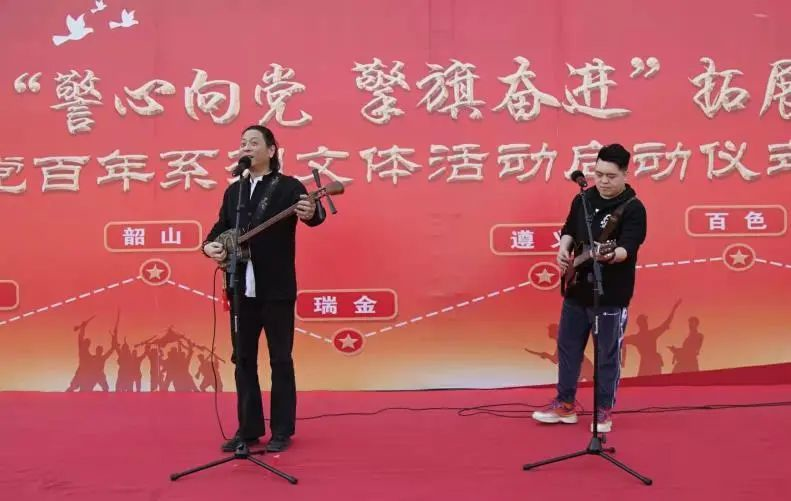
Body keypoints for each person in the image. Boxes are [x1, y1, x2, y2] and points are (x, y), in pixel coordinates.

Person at [202, 125, 325, 452]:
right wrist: (209, 246)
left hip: (277, 288)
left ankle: (282, 430)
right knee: (243, 359)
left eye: (254, 143)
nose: (247, 147)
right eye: (243, 143)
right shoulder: (235, 191)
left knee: (280, 359)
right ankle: (248, 428)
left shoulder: (288, 186)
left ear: (271, 151)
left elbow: (314, 214)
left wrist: (312, 211)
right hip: (240, 288)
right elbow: (219, 229)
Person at [531, 144, 647, 433]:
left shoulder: (633, 208)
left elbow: (628, 248)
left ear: (625, 174)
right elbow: (569, 229)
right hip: (576, 289)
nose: (603, 181)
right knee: (568, 347)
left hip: (611, 293)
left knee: (607, 353)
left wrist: (610, 255)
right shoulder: (583, 198)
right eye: (599, 174)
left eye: (611, 176)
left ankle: (603, 410)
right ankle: (565, 404)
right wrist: (563, 248)